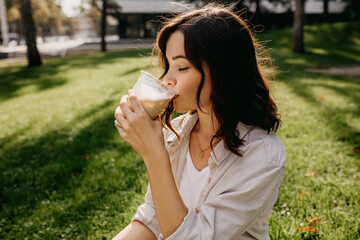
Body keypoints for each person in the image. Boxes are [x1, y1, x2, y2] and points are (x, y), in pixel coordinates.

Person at [113, 4, 286, 240]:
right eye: (168, 66)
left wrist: (154, 154)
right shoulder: (177, 135)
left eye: (182, 67)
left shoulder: (262, 155)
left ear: (222, 71)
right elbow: (151, 221)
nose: (167, 80)